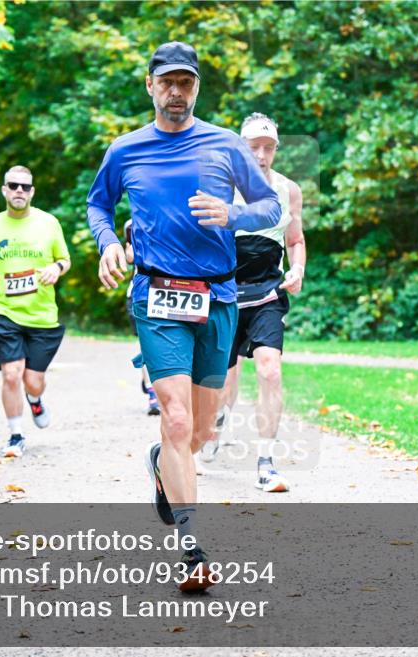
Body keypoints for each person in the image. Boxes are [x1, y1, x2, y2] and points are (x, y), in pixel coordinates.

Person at [87, 42, 280, 591]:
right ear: (149, 85)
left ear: (197, 88)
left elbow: (270, 206)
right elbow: (99, 204)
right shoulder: (125, 150)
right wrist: (107, 243)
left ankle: (161, 465)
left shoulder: (224, 145)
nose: (177, 92)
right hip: (156, 295)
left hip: (217, 297)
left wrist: (235, 213)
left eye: (186, 83)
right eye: (167, 81)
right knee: (174, 419)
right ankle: (192, 551)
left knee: (197, 430)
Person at [202, 113, 306, 494]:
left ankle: (266, 462)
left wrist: (296, 269)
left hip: (266, 294)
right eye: (253, 148)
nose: (261, 156)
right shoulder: (221, 190)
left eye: (269, 148)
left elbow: (295, 239)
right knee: (222, 382)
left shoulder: (288, 190)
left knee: (269, 370)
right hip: (225, 296)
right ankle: (215, 426)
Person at [0, 165, 71, 458]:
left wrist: (56, 268)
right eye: (13, 185)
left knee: (32, 380)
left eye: (25, 187)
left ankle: (35, 400)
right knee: (11, 374)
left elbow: (65, 260)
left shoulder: (49, 223)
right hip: (3, 310)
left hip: (41, 315)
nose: (19, 191)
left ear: (32, 192)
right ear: (4, 190)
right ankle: (15, 434)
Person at [124, 219, 160, 416]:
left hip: (171, 293)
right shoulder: (131, 224)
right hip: (141, 294)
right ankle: (153, 393)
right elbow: (129, 256)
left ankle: (160, 385)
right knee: (148, 345)